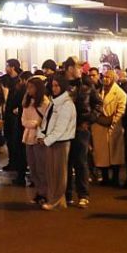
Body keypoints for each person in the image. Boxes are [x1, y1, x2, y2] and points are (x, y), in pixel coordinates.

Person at [63, 58, 102, 207]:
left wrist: (90, 120)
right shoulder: (60, 84)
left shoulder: (87, 84)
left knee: (81, 162)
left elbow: (98, 103)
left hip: (81, 128)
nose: (81, 70)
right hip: (63, 128)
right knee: (65, 162)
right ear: (69, 68)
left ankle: (83, 195)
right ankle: (66, 194)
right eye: (78, 67)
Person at [39, 75, 76, 210]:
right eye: (53, 85)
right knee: (51, 172)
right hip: (51, 141)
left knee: (59, 173)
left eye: (57, 85)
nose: (54, 88)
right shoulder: (54, 102)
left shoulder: (66, 104)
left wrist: (46, 139)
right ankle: (54, 199)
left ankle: (57, 201)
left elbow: (61, 127)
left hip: (60, 142)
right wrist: (41, 135)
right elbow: (46, 121)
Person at [91, 69, 127, 186]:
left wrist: (113, 122)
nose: (105, 79)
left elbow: (121, 111)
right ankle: (105, 177)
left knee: (115, 153)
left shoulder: (121, 93)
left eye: (108, 77)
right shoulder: (98, 92)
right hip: (99, 126)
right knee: (102, 154)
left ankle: (115, 178)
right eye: (104, 77)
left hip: (113, 127)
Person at [21, 76, 48, 205]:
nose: (29, 89)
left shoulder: (44, 102)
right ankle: (39, 191)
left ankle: (45, 193)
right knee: (32, 166)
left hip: (39, 137)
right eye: (28, 87)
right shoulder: (26, 101)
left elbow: (44, 121)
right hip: (28, 136)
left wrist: (33, 123)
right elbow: (23, 120)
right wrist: (32, 123)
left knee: (41, 166)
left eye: (31, 87)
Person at [2, 59, 27, 186]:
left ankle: (18, 165)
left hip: (18, 115)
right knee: (9, 138)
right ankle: (12, 162)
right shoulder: (4, 79)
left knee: (17, 140)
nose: (5, 68)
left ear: (12, 67)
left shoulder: (22, 78)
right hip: (8, 113)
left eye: (7, 66)